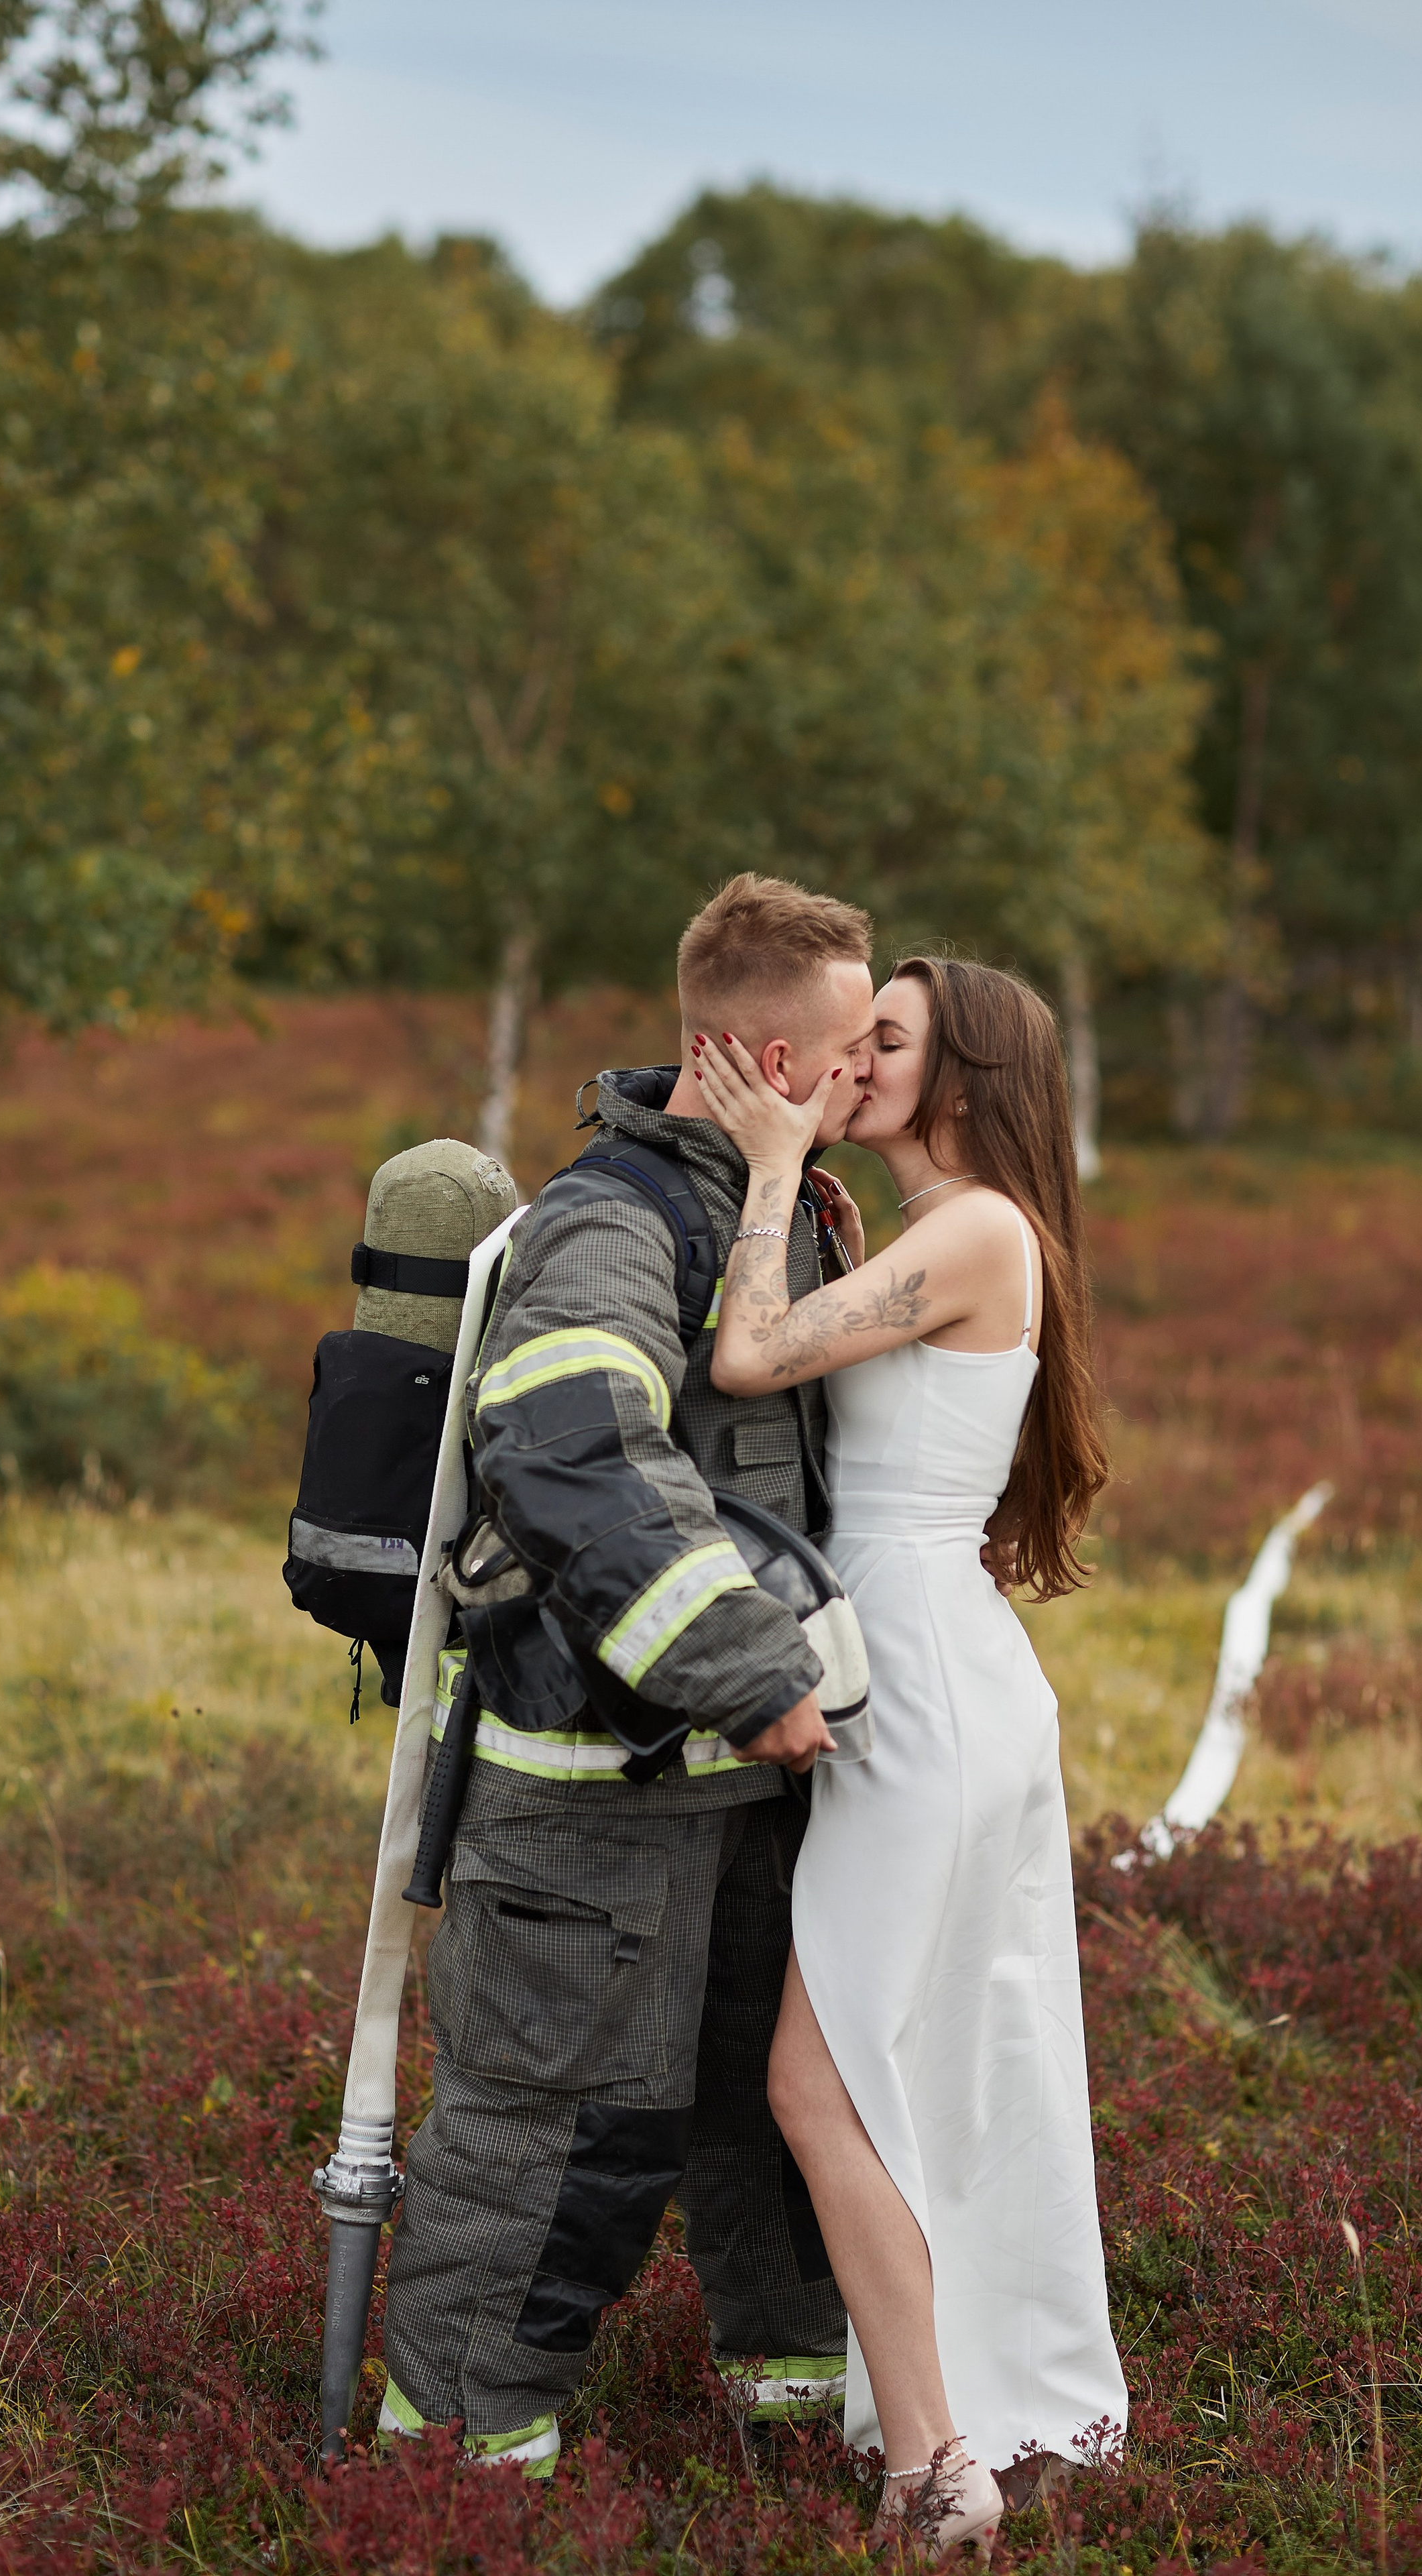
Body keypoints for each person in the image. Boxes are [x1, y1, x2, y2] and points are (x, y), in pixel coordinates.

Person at [379, 874, 877, 2470]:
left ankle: (787, 2416)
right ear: (765, 1057)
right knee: (556, 2129)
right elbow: (574, 1450)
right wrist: (748, 1666)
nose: (873, 1072)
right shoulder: (611, 1218)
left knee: (762, 2100)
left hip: (738, 1784)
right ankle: (453, 2456)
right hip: (590, 1790)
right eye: (853, 1045)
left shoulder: (786, 1206)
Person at [693, 954, 1129, 2563]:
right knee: (918, 2074)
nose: (847, 1056)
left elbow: (746, 1359)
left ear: (963, 1079)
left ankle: (939, 2469)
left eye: (886, 1038)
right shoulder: (944, 1234)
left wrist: (767, 1165)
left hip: (924, 1697)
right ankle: (951, 2425)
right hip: (918, 1672)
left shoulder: (977, 1229)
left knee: (815, 2083)